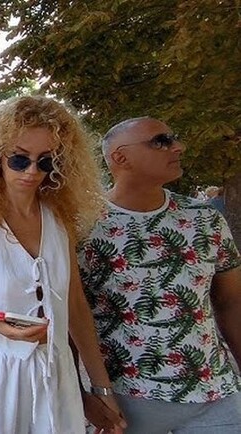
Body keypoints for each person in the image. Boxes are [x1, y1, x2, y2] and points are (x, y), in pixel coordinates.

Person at [0, 95, 126, 434]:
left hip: (55, 371)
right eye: (20, 159)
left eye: (45, 161)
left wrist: (101, 388)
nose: (32, 171)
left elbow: (75, 305)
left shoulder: (59, 217)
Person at [78, 117, 241, 433]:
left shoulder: (204, 218)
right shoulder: (82, 225)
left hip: (216, 396)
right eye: (161, 141)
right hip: (128, 403)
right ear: (120, 158)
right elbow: (67, 315)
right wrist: (87, 394)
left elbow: (231, 300)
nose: (178, 147)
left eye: (173, 138)